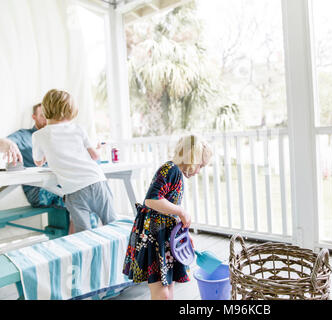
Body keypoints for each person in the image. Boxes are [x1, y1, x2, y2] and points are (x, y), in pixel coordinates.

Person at [122, 134, 213, 300]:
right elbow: (151, 200)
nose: (199, 171)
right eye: (200, 165)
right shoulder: (172, 170)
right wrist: (182, 211)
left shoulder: (175, 172)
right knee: (162, 293)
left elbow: (167, 209)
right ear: (192, 158)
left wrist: (183, 233)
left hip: (164, 237)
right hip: (154, 237)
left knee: (168, 287)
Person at [32, 89, 116, 232]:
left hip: (74, 191)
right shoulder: (78, 129)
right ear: (71, 110)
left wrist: (49, 153)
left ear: (45, 110)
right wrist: (98, 149)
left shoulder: (39, 135)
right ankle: (124, 252)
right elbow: (95, 156)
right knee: (112, 224)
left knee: (84, 233)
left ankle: (90, 254)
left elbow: (38, 162)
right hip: (96, 181)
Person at [4, 103, 65, 209]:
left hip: (59, 184)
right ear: (34, 117)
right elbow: (3, 142)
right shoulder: (24, 135)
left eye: (48, 115)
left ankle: (79, 224)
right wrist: (9, 144)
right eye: (42, 115)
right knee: (78, 200)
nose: (46, 118)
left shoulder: (57, 136)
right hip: (37, 192)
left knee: (84, 195)